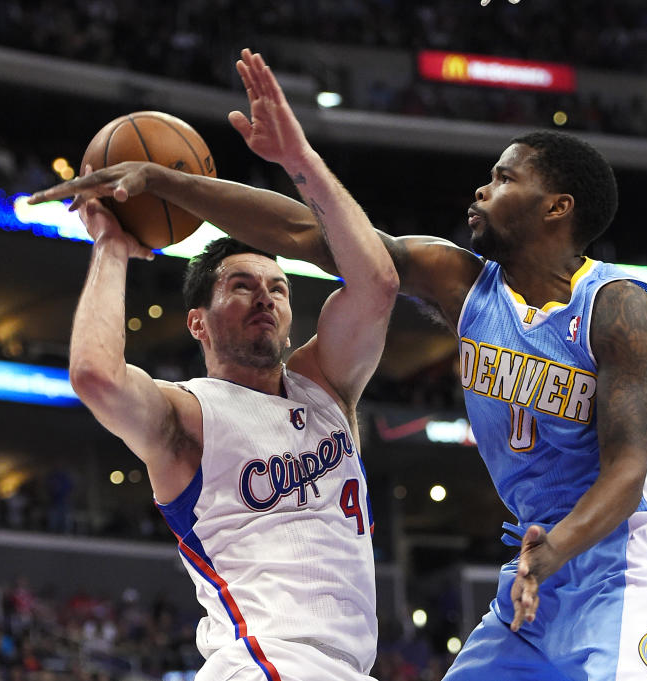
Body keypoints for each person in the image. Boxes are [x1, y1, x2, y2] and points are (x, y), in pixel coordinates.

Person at [32, 48, 647, 681]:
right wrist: (167, 182)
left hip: (627, 554)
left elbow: (626, 473)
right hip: (537, 566)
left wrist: (555, 550)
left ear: (556, 208)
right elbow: (309, 233)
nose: (480, 190)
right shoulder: (461, 283)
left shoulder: (618, 309)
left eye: (504, 179)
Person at [52, 53, 398, 680]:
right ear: (199, 322)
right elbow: (96, 377)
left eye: (279, 287)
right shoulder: (188, 414)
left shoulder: (327, 387)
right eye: (241, 285)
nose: (265, 296)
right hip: (266, 662)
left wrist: (300, 161)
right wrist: (112, 247)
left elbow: (375, 282)